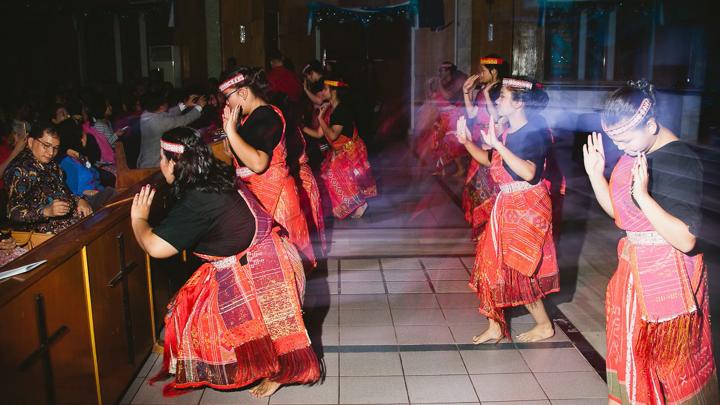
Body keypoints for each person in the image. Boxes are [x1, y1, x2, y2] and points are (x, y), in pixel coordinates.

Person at [132, 127, 319, 398]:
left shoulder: (198, 198)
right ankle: (264, 363)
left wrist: (138, 219)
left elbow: (154, 247)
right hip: (274, 254)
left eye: (162, 158)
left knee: (209, 330)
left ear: (174, 163)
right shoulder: (214, 173)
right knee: (190, 308)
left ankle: (277, 371)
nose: (160, 164)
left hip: (264, 271)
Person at [584, 80, 718, 403]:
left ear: (651, 125)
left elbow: (686, 239)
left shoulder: (679, 160)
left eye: (625, 139)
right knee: (636, 366)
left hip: (669, 282)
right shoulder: (638, 150)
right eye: (615, 141)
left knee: (671, 373)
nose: (620, 148)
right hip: (634, 275)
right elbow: (622, 215)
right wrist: (596, 176)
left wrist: (643, 197)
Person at [456, 77, 559, 344]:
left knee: (520, 269)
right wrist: (466, 142)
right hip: (507, 206)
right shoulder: (507, 132)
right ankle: (495, 325)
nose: (497, 100)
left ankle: (543, 325)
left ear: (519, 103)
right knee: (490, 265)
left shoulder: (534, 132)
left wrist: (499, 144)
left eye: (502, 96)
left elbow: (529, 172)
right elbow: (489, 160)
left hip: (528, 208)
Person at [219, 66, 315, 267]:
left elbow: (258, 163)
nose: (226, 103)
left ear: (243, 93)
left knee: (281, 263)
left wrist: (232, 133)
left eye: (227, 97)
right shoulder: (252, 117)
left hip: (275, 199)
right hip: (263, 195)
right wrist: (232, 135)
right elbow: (243, 156)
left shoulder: (265, 115)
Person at [302, 78, 377, 219]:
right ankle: (355, 203)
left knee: (338, 176)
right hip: (340, 150)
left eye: (325, 89)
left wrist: (320, 119)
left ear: (334, 91)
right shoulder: (331, 109)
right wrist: (301, 127)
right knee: (330, 175)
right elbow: (319, 134)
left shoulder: (341, 110)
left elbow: (332, 135)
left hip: (350, 150)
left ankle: (360, 204)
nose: (322, 92)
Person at [4, 122, 92, 233]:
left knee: (97, 212)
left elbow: (64, 192)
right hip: (35, 229)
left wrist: (79, 200)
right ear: (31, 142)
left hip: (62, 219)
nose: (51, 153)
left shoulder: (52, 165)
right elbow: (12, 212)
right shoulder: (20, 170)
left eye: (55, 148)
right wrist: (46, 211)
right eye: (45, 146)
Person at [460, 56, 505, 239]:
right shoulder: (482, 90)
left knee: (490, 190)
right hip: (480, 143)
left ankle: (490, 231)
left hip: (494, 144)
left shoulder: (502, 91)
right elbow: (472, 113)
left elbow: (499, 118)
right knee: (475, 188)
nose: (480, 74)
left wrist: (487, 94)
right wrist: (466, 92)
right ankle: (482, 230)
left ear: (494, 71)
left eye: (483, 71)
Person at [136, 91, 205, 168]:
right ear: (161, 107)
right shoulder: (158, 123)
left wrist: (185, 105)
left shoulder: (146, 114)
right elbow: (184, 120)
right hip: (153, 165)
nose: (168, 105)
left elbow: (167, 114)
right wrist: (199, 107)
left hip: (146, 161)